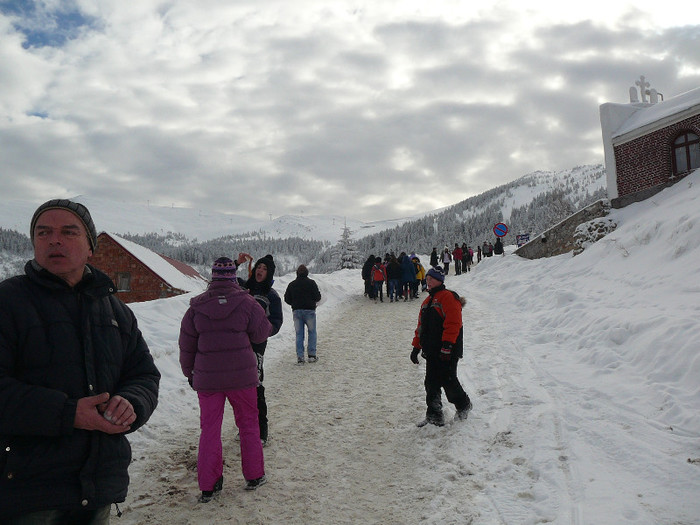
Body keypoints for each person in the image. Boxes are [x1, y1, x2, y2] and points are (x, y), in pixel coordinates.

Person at [0, 199, 160, 523]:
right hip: (27, 495)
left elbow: (144, 375)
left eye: (68, 232)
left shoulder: (116, 312)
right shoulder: (8, 303)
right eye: (43, 232)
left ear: (90, 247)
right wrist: (68, 413)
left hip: (97, 489)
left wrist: (131, 403)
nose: (54, 240)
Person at [179, 257, 272, 500]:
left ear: (213, 277)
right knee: (249, 425)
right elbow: (262, 332)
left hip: (208, 381)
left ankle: (209, 485)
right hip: (242, 377)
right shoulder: (247, 302)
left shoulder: (196, 307)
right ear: (233, 277)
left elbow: (187, 345)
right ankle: (254, 476)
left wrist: (189, 372)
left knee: (209, 429)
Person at [410, 265, 472, 427]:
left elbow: (454, 323)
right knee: (431, 382)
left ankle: (464, 405)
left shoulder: (448, 297)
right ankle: (434, 415)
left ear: (439, 280)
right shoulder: (427, 301)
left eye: (431, 279)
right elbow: (421, 327)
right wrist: (416, 348)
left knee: (448, 380)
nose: (427, 282)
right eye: (427, 279)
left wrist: (447, 345)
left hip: (447, 350)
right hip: (431, 350)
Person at [239, 254, 283, 447]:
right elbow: (221, 278)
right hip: (237, 345)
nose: (260, 270)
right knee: (239, 389)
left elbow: (276, 322)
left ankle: (261, 428)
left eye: (265, 268)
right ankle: (245, 427)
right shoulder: (243, 289)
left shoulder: (271, 296)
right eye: (258, 267)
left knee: (256, 385)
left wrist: (262, 332)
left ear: (269, 273)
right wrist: (236, 263)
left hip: (256, 346)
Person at [284, 265, 322, 364]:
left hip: (296, 311)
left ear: (297, 273)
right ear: (307, 273)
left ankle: (300, 357)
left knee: (299, 334)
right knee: (312, 332)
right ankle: (312, 355)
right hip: (309, 311)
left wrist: (294, 304)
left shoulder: (292, 284)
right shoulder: (311, 283)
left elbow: (287, 299)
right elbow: (318, 297)